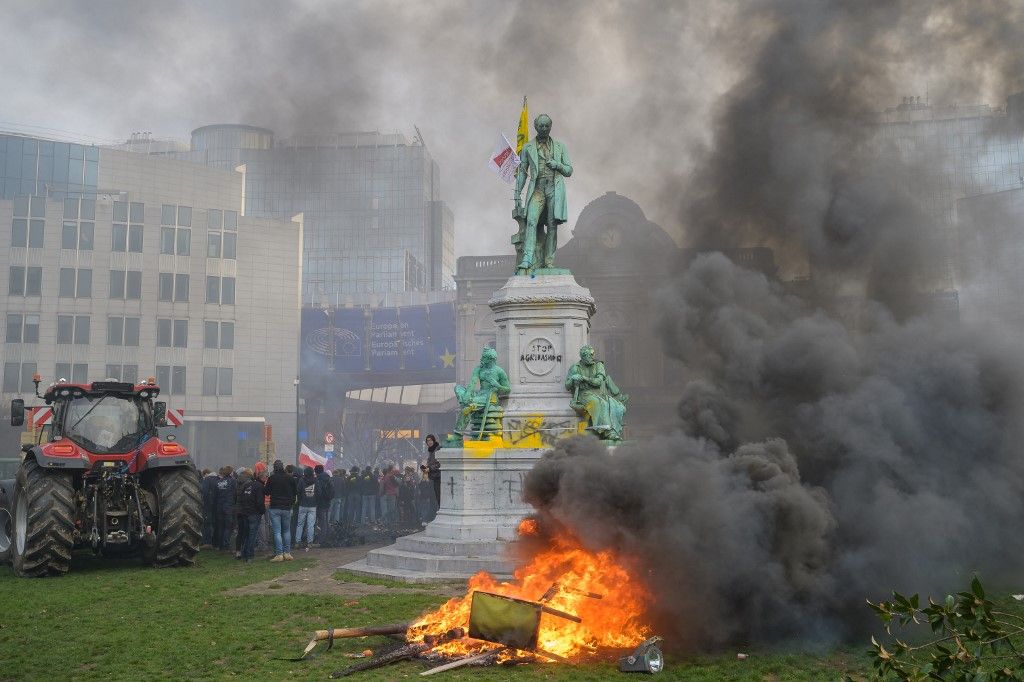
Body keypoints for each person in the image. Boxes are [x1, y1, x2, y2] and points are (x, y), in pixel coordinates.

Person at [512, 113, 572, 274]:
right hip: (537, 188)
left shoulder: (560, 147)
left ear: (550, 127)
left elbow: (569, 170)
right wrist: (517, 192)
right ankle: (527, 258)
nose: (544, 128)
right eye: (541, 126)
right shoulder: (527, 147)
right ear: (536, 127)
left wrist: (557, 165)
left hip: (554, 188)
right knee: (531, 221)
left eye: (547, 126)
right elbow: (523, 172)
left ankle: (549, 262)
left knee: (552, 225)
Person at [565, 345, 629, 443]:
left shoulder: (598, 365)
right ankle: (606, 432)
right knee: (597, 403)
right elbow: (567, 385)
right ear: (583, 356)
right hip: (584, 394)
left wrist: (583, 378)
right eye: (590, 355)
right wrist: (573, 378)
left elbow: (598, 382)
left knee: (613, 405)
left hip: (599, 393)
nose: (592, 356)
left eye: (592, 354)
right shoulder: (575, 368)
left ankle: (611, 430)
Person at [264, 459, 297, 561]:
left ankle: (279, 554)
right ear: (283, 467)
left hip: (275, 507)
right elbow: (295, 492)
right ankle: (287, 553)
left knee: (277, 531)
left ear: (274, 468)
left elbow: (267, 492)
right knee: (286, 531)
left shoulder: (272, 478)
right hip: (287, 507)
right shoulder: (290, 478)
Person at [237, 468, 265, 563]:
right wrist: (262, 511)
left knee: (247, 534)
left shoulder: (247, 485)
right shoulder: (259, 486)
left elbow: (242, 499)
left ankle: (244, 553)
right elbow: (259, 502)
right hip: (254, 513)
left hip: (245, 513)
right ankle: (249, 555)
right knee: (252, 535)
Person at [233, 468, 253, 559]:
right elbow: (248, 497)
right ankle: (245, 550)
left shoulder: (236, 482)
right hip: (246, 510)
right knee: (247, 531)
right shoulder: (249, 483)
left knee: (240, 531)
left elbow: (234, 496)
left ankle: (238, 551)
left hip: (238, 509)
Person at [213, 466, 235, 550]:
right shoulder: (232, 481)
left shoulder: (218, 482)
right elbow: (235, 493)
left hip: (219, 506)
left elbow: (215, 496)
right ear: (230, 472)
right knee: (227, 527)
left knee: (220, 526)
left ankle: (220, 545)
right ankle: (226, 544)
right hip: (228, 506)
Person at [314, 464, 333, 543]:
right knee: (325, 520)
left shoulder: (318, 479)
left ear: (316, 471)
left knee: (322, 521)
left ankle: (322, 539)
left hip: (320, 503)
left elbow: (318, 492)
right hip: (327, 502)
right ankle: (328, 536)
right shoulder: (328, 478)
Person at [200, 468, 218, 547]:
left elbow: (204, 492)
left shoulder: (207, 480)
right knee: (215, 524)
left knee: (206, 524)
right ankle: (215, 542)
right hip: (217, 505)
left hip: (207, 505)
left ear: (205, 474)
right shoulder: (218, 479)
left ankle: (207, 542)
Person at [380, 464, 399, 533]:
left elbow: (383, 485)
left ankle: (388, 522)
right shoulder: (391, 476)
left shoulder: (385, 477)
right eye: (393, 468)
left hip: (387, 494)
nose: (394, 469)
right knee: (391, 509)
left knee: (389, 509)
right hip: (392, 494)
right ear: (391, 469)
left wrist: (382, 493)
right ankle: (384, 519)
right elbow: (397, 484)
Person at [425, 434, 441, 507]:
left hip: (438, 476)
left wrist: (430, 468)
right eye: (428, 441)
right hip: (433, 477)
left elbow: (439, 463)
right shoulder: (431, 451)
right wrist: (426, 467)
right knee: (434, 497)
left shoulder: (437, 449)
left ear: (434, 441)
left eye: (431, 440)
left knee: (438, 495)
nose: (429, 442)